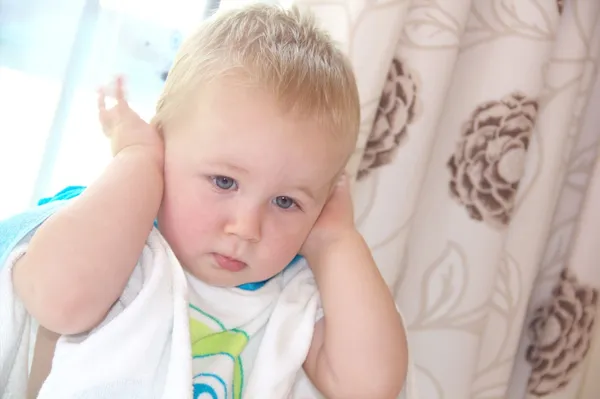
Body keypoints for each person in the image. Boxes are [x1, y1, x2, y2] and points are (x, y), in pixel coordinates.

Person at [10, 4, 407, 398]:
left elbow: (371, 389)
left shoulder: (294, 298)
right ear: (162, 143)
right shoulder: (112, 235)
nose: (247, 228)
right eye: (224, 181)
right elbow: (57, 302)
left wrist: (336, 239)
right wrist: (139, 159)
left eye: (286, 202)